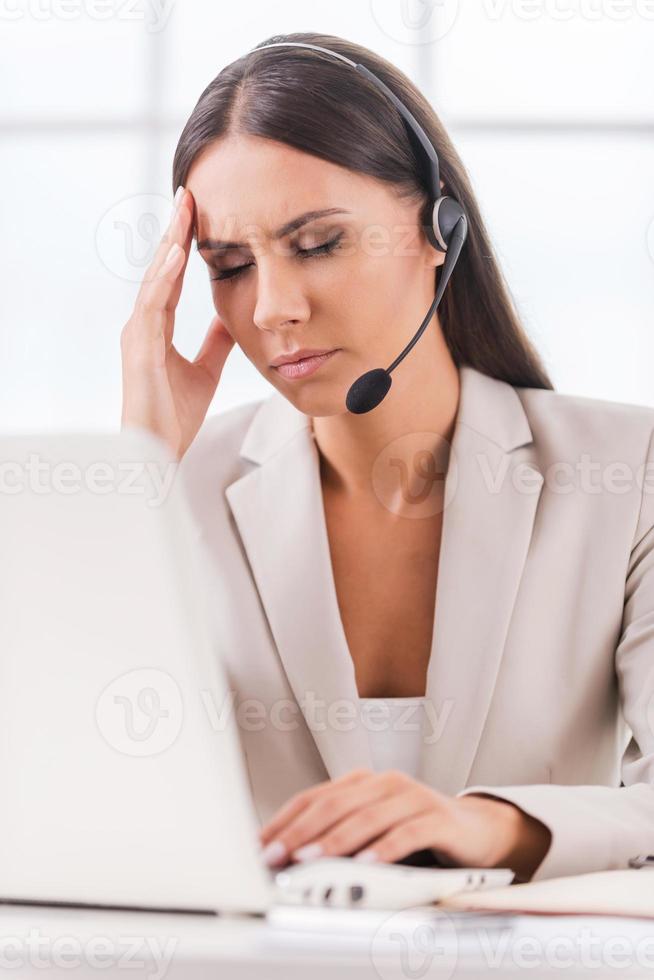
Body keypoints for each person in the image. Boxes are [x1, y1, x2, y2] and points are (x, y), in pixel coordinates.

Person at [120, 31, 654, 884]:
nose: (274, 309)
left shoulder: (627, 474)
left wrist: (486, 827)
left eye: (319, 243)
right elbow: (82, 792)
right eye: (229, 266)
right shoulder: (170, 487)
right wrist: (136, 474)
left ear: (440, 227)